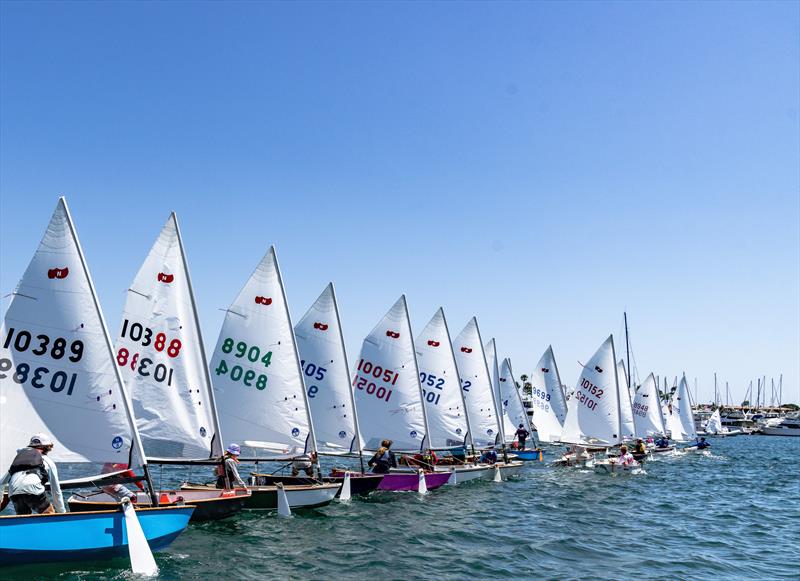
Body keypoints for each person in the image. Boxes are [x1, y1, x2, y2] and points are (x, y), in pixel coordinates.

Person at [0, 433, 65, 514]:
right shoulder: (48, 462)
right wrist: (62, 513)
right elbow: (56, 491)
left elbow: (1, 483)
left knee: (23, 520)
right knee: (49, 515)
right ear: (47, 448)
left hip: (13, 492)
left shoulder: (18, 461)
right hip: (33, 489)